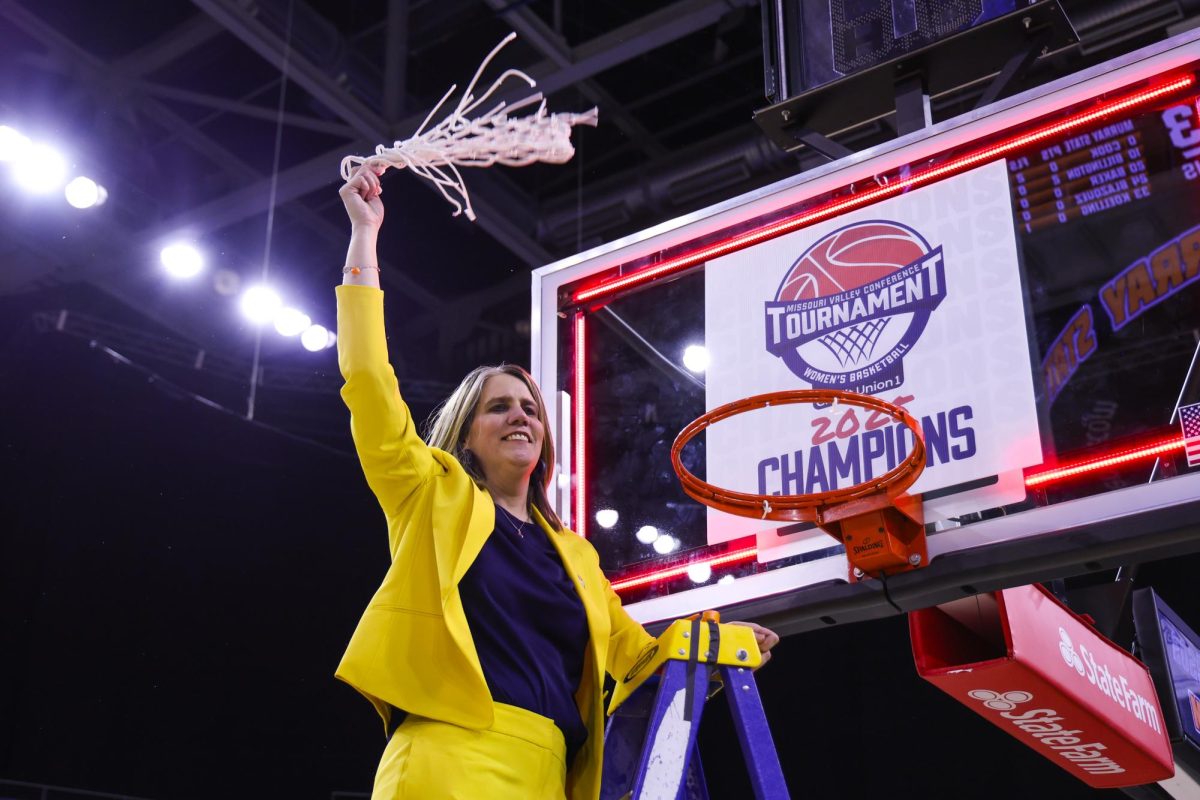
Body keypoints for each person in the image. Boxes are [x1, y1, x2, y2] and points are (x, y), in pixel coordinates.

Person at [334, 164, 780, 800]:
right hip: (450, 755)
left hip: (552, 774)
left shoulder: (575, 556)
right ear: (465, 434)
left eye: (531, 408)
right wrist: (364, 239)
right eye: (499, 406)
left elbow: (636, 658)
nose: (521, 414)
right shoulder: (430, 493)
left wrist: (721, 642)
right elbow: (370, 383)